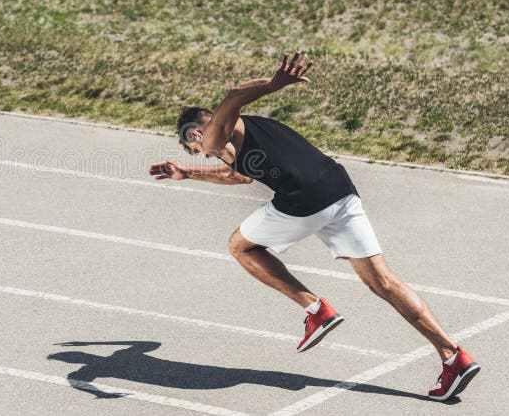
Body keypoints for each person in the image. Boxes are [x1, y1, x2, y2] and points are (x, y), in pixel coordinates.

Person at [148, 52, 480, 401]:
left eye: (195, 148)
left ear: (199, 132)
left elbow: (233, 95)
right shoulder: (249, 134)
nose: (203, 154)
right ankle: (453, 355)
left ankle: (315, 309)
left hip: (303, 201)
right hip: (338, 190)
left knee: (239, 245)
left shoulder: (216, 136)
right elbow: (241, 176)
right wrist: (188, 173)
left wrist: (274, 84)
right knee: (383, 281)